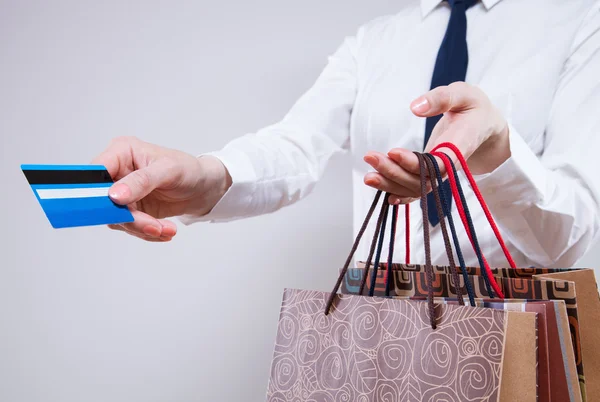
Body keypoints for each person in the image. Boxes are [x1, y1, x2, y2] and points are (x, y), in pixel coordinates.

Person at [93, 0, 600, 268]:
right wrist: (205, 175)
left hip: (515, 331)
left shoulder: (581, 21)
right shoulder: (375, 41)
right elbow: (295, 146)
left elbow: (567, 239)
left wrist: (496, 153)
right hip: (375, 328)